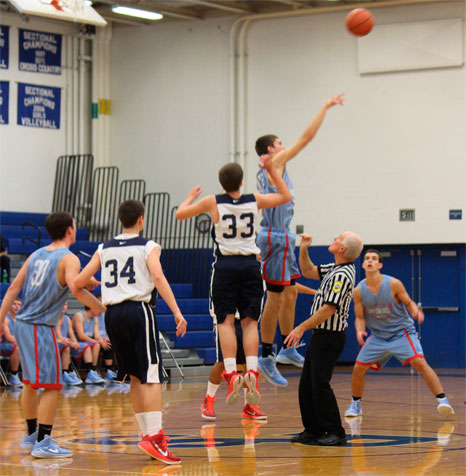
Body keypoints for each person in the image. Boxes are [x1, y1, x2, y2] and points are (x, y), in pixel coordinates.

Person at [73, 199, 187, 465]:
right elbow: (158, 278)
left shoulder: (104, 248)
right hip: (139, 311)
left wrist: (101, 306)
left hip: (114, 315)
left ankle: (145, 434)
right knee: (152, 375)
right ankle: (155, 438)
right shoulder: (148, 245)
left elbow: (78, 285)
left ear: (120, 219)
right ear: (141, 219)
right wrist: (177, 312)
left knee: (136, 377)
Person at [176, 154, 291, 409]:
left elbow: (180, 215)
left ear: (222, 182)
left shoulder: (212, 201)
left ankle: (231, 373)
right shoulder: (254, 200)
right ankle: (251, 370)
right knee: (250, 323)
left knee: (225, 322)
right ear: (241, 181)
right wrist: (271, 170)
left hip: (226, 266)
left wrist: (190, 197)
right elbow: (285, 197)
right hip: (251, 264)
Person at [255, 94, 345, 387]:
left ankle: (288, 348)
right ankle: (267, 354)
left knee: (290, 292)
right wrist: (325, 106)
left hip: (285, 236)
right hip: (275, 235)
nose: (284, 146)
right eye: (280, 142)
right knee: (276, 296)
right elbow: (307, 137)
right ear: (271, 148)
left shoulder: (277, 167)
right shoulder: (276, 162)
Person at [0, 211, 105, 458]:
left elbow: (14, 287)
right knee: (51, 385)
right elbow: (74, 287)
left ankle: (31, 436)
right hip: (40, 326)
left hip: (24, 324)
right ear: (70, 230)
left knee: (29, 382)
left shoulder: (36, 254)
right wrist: (100, 306)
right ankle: (43, 442)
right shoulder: (69, 258)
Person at [344, 249, 454, 419]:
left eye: (374, 258)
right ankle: (355, 405)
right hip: (379, 336)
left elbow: (409, 303)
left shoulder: (393, 283)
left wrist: (416, 312)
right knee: (358, 368)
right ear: (364, 264)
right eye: (367, 258)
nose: (370, 260)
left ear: (380, 264)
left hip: (401, 333)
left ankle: (443, 401)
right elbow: (359, 317)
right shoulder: (359, 291)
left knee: (420, 363)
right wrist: (359, 330)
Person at [286, 231, 363, 446]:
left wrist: (300, 328)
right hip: (321, 336)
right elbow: (309, 270)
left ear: (343, 249)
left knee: (320, 385)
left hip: (330, 337)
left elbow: (328, 309)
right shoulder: (335, 268)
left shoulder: (342, 275)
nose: (335, 239)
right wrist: (303, 248)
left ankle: (335, 432)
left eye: (339, 238)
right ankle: (313, 430)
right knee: (307, 386)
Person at [200, 318, 267, 421]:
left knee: (248, 364)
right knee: (222, 362)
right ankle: (208, 400)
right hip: (225, 318)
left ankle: (249, 406)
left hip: (245, 318)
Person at [72, 303, 112, 384]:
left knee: (99, 344)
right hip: (76, 342)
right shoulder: (79, 316)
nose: (100, 310)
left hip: (87, 342)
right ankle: (90, 372)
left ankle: (93, 371)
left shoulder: (95, 318)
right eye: (98, 307)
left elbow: (97, 336)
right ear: (91, 307)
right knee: (96, 344)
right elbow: (81, 336)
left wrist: (100, 340)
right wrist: (97, 341)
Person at [55, 302, 84, 386]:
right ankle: (66, 372)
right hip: (52, 344)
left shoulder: (67, 319)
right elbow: (59, 338)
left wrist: (75, 342)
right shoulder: (53, 318)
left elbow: (71, 334)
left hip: (63, 343)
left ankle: (72, 372)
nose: (64, 307)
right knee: (66, 347)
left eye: (65, 304)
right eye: (62, 304)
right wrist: (70, 343)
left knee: (78, 346)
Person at [0, 298, 23, 386]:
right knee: (16, 348)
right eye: (14, 304)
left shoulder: (21, 319)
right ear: (9, 306)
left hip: (15, 343)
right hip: (3, 344)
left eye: (19, 305)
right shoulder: (5, 319)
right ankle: (14, 375)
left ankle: (32, 378)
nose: (17, 307)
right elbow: (9, 338)